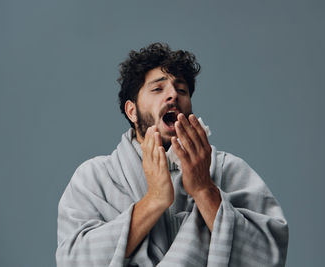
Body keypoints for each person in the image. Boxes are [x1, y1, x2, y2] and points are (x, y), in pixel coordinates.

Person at [56, 42, 289, 267]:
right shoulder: (95, 177)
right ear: (132, 111)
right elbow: (73, 260)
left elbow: (267, 258)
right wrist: (154, 200)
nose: (173, 96)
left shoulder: (229, 170)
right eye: (158, 88)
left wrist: (203, 189)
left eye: (182, 90)